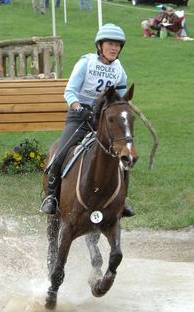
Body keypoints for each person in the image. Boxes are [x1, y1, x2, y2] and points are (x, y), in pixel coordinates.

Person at [40, 23, 134, 217]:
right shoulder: (86, 63)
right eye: (110, 44)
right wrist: (80, 109)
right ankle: (51, 197)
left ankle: (122, 201)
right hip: (79, 117)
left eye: (117, 45)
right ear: (100, 45)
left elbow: (122, 98)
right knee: (61, 152)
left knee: (124, 155)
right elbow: (70, 92)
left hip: (104, 122)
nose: (114, 48)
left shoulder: (119, 70)